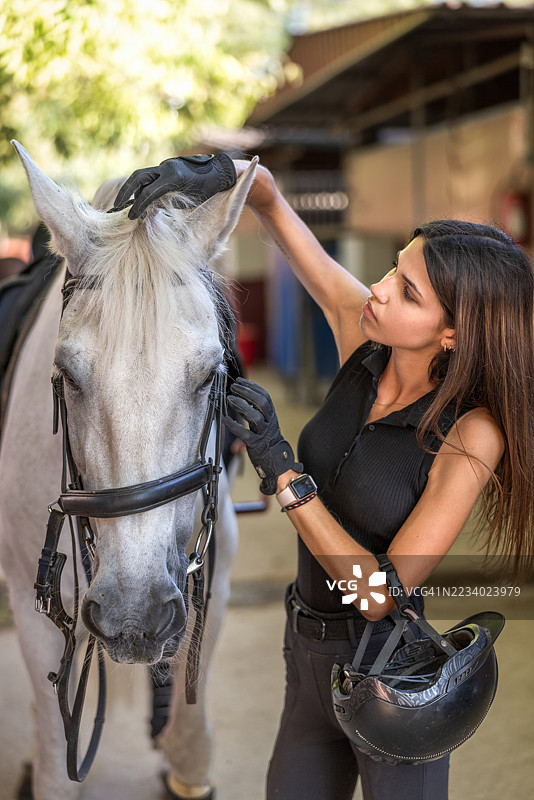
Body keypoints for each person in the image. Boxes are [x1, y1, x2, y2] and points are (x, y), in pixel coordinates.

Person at [114, 156, 534, 800]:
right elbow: (275, 206)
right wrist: (229, 175)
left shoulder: (470, 433)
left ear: (452, 333)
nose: (381, 288)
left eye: (409, 292)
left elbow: (381, 594)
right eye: (396, 266)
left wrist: (285, 472)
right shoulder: (364, 347)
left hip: (390, 674)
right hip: (306, 658)